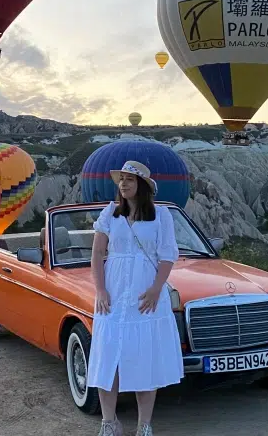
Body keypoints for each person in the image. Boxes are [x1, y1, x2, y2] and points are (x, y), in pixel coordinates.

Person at [87, 160, 184, 436]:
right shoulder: (110, 213)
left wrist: (156, 288)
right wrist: (101, 289)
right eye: (122, 179)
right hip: (114, 293)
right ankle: (109, 422)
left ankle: (144, 425)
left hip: (145, 295)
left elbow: (167, 255)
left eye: (130, 179)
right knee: (108, 357)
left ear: (141, 185)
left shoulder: (161, 215)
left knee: (144, 359)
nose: (124, 183)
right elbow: (96, 254)